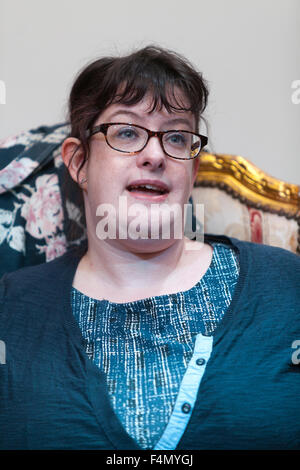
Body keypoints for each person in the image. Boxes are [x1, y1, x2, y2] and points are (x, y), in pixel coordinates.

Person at [0, 45, 299, 451]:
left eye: (177, 137)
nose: (155, 154)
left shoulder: (286, 285)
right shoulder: (11, 308)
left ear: (192, 169)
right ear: (79, 162)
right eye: (127, 132)